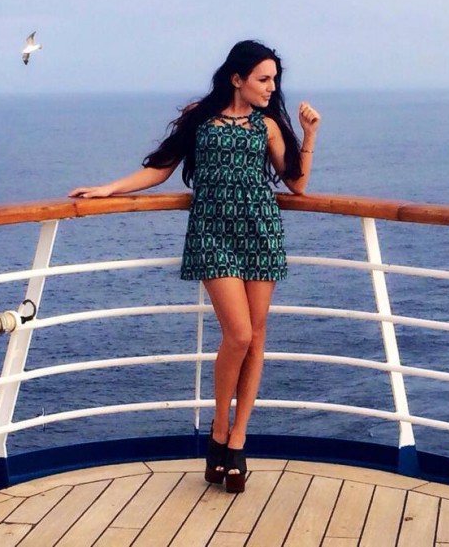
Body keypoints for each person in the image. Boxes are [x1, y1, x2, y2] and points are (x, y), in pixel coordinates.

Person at [68, 40, 320, 493]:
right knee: (238, 335)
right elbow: (160, 168)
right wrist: (109, 188)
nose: (271, 87)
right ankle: (219, 427)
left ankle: (237, 441)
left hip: (260, 230)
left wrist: (310, 134)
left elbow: (296, 185)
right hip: (212, 233)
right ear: (237, 78)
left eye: (274, 80)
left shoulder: (266, 126)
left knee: (255, 337)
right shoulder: (200, 117)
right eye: (263, 79)